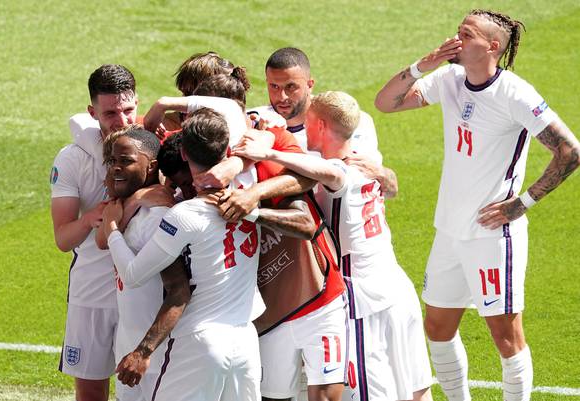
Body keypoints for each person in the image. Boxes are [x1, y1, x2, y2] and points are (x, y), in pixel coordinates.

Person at [374, 9, 580, 401]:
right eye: (458, 30)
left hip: (491, 235)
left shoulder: (514, 93)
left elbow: (570, 152)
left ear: (492, 46)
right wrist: (424, 65)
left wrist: (523, 203)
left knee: (506, 336)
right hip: (450, 230)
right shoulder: (449, 78)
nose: (456, 38)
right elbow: (386, 103)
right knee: (437, 327)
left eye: (466, 34)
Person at [234, 91, 434, 401]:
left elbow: (330, 173)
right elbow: (388, 184)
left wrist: (269, 153)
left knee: (371, 393)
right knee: (415, 388)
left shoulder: (340, 170)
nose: (303, 129)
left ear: (322, 126)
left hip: (364, 296)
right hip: (396, 287)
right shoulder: (367, 160)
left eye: (309, 123)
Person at [102, 108, 263, 401]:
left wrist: (112, 228)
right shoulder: (248, 192)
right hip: (245, 342)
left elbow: (136, 275)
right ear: (226, 150)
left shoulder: (182, 215)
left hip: (199, 342)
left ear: (186, 154)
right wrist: (259, 212)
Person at [50, 64, 138, 401]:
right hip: (91, 293)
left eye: (128, 109)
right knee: (90, 394)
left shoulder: (153, 148)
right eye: (111, 112)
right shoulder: (72, 159)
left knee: (146, 390)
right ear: (92, 112)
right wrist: (89, 219)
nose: (122, 120)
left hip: (141, 292)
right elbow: (62, 239)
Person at [97, 125, 184, 401]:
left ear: (151, 166)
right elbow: (102, 239)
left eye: (126, 161)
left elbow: (176, 290)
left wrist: (144, 351)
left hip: (158, 351)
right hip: (128, 342)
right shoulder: (125, 207)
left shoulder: (158, 216)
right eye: (112, 161)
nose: (115, 168)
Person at [249, 47, 397, 197]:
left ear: (310, 84)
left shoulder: (349, 121)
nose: (282, 97)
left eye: (291, 86)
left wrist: (384, 174)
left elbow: (389, 189)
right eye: (274, 86)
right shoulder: (255, 121)